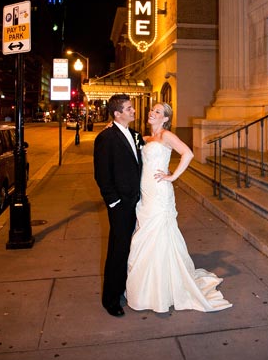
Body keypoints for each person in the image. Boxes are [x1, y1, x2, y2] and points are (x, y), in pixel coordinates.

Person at [125, 102, 232, 313]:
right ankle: (147, 285)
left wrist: (172, 176)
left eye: (157, 112)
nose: (152, 113)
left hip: (160, 191)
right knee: (144, 234)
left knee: (159, 234)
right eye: (152, 110)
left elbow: (188, 153)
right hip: (145, 193)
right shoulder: (146, 139)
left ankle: (162, 287)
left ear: (165, 118)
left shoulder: (166, 135)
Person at [93, 93, 143, 317]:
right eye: (129, 108)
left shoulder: (135, 135)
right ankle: (110, 299)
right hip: (121, 205)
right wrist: (114, 202)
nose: (133, 111)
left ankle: (125, 287)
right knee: (118, 250)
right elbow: (102, 175)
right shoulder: (106, 138)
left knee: (133, 249)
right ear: (117, 113)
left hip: (139, 202)